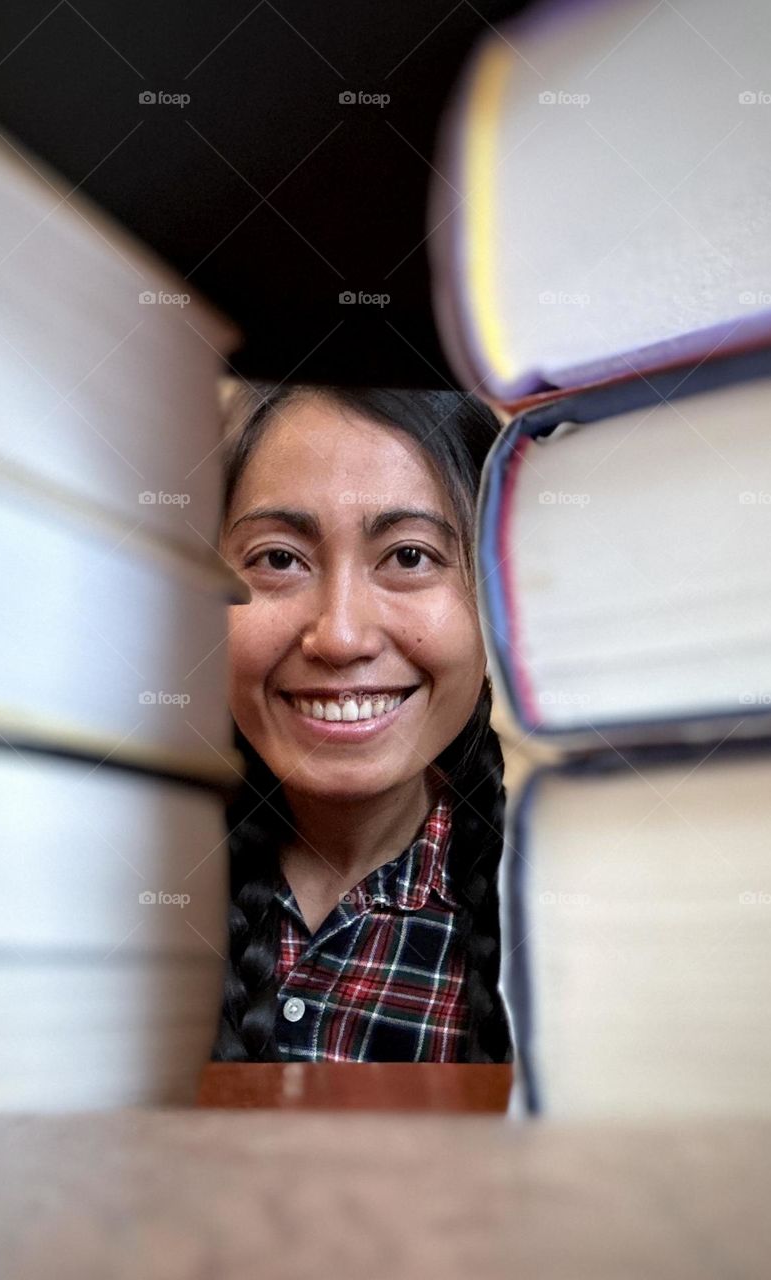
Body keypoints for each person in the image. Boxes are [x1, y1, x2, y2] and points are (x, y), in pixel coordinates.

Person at [211, 383, 514, 1063]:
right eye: (279, 559)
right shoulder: (131, 891)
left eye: (409, 556)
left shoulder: (562, 924)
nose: (341, 636)